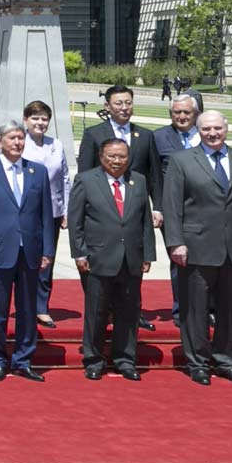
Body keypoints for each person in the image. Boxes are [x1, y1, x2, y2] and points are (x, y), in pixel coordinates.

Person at [161, 109, 232, 386]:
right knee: (195, 310)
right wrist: (176, 242)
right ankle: (197, 362)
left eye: (217, 128)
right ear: (198, 131)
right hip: (195, 247)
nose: (213, 133)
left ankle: (226, 361)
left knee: (230, 310)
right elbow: (172, 206)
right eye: (206, 129)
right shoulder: (182, 161)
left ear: (226, 129)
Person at [0, 122, 54, 382]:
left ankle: (23, 360)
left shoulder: (37, 171)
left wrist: (48, 250)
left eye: (20, 138)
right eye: (12, 138)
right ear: (0, 141)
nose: (17, 142)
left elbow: (46, 215)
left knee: (27, 310)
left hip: (30, 251)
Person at [67, 138, 154, 381]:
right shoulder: (86, 180)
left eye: (122, 156)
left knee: (128, 312)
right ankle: (94, 360)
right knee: (97, 312)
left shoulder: (139, 181)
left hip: (131, 258)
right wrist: (79, 253)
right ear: (101, 157)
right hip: (98, 258)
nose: (117, 161)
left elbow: (145, 220)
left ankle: (125, 359)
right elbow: (75, 221)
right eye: (112, 156)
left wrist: (148, 253)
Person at [18, 100, 71, 327]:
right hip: (27, 212)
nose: (40, 123)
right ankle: (25, 304)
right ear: (25, 120)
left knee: (46, 260)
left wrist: (66, 209)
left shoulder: (56, 145)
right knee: (25, 260)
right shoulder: (20, 144)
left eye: (44, 119)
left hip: (53, 211)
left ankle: (41, 306)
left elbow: (65, 178)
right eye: (35, 118)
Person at [148, 94, 196, 325]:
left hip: (203, 209)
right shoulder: (158, 137)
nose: (182, 116)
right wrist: (157, 207)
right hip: (171, 210)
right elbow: (154, 177)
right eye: (177, 112)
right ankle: (181, 310)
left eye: (187, 112)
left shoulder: (206, 134)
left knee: (206, 261)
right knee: (179, 259)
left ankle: (207, 308)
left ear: (195, 114)